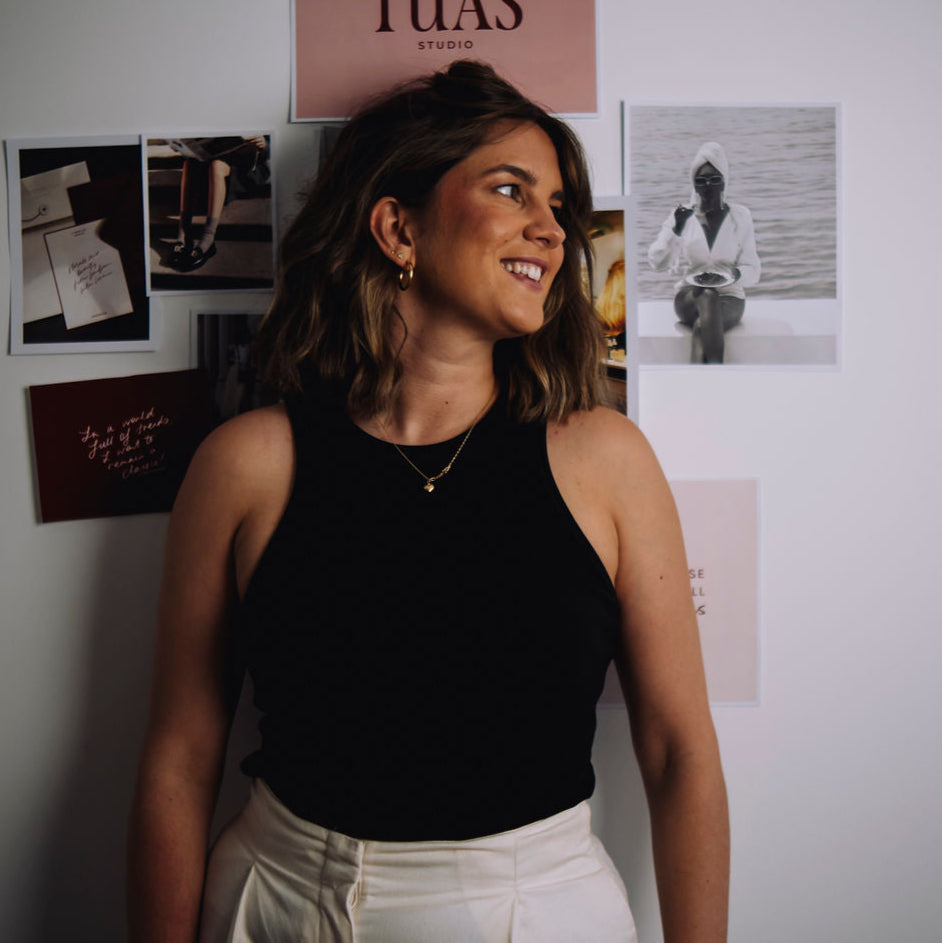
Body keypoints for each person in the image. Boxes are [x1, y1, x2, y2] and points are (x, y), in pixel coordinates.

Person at [128, 61, 728, 943]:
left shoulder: (606, 461)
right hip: (278, 903)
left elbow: (680, 755)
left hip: (540, 910)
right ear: (397, 227)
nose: (551, 230)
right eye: (510, 189)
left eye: (557, 206)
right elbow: (180, 763)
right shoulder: (245, 465)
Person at [648, 141, 760, 363]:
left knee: (702, 327)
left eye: (715, 179)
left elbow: (754, 271)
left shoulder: (740, 216)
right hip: (689, 297)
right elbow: (657, 262)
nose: (708, 185)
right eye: (701, 181)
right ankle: (718, 375)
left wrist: (733, 275)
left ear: (724, 181)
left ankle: (701, 383)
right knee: (707, 295)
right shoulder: (681, 216)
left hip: (730, 297)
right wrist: (676, 230)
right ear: (694, 185)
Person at [165, 136, 269, 272]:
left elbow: (272, 143)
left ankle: (209, 239)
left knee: (217, 165)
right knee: (189, 164)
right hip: (212, 157)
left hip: (243, 167)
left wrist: (265, 143)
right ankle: (184, 233)